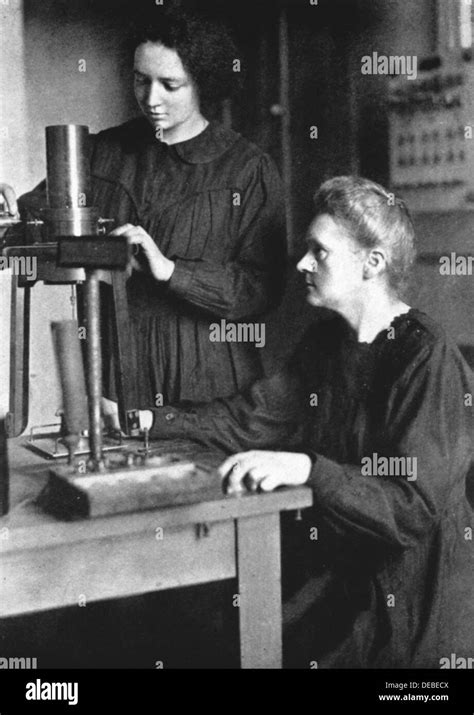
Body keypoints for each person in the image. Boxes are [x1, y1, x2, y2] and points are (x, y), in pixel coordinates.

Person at [132, 176, 474, 668]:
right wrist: (149, 419)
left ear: (371, 264)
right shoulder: (324, 342)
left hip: (418, 598)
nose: (301, 264)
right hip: (350, 572)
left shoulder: (425, 355)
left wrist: (307, 469)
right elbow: (251, 419)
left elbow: (410, 506)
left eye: (320, 251)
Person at [2, 10, 286, 409]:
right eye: (141, 80)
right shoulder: (100, 153)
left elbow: (263, 289)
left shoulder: (246, 169)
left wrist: (171, 271)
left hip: (208, 382)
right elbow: (34, 223)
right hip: (116, 380)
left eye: (170, 85)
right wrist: (10, 217)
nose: (151, 99)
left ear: (203, 82)